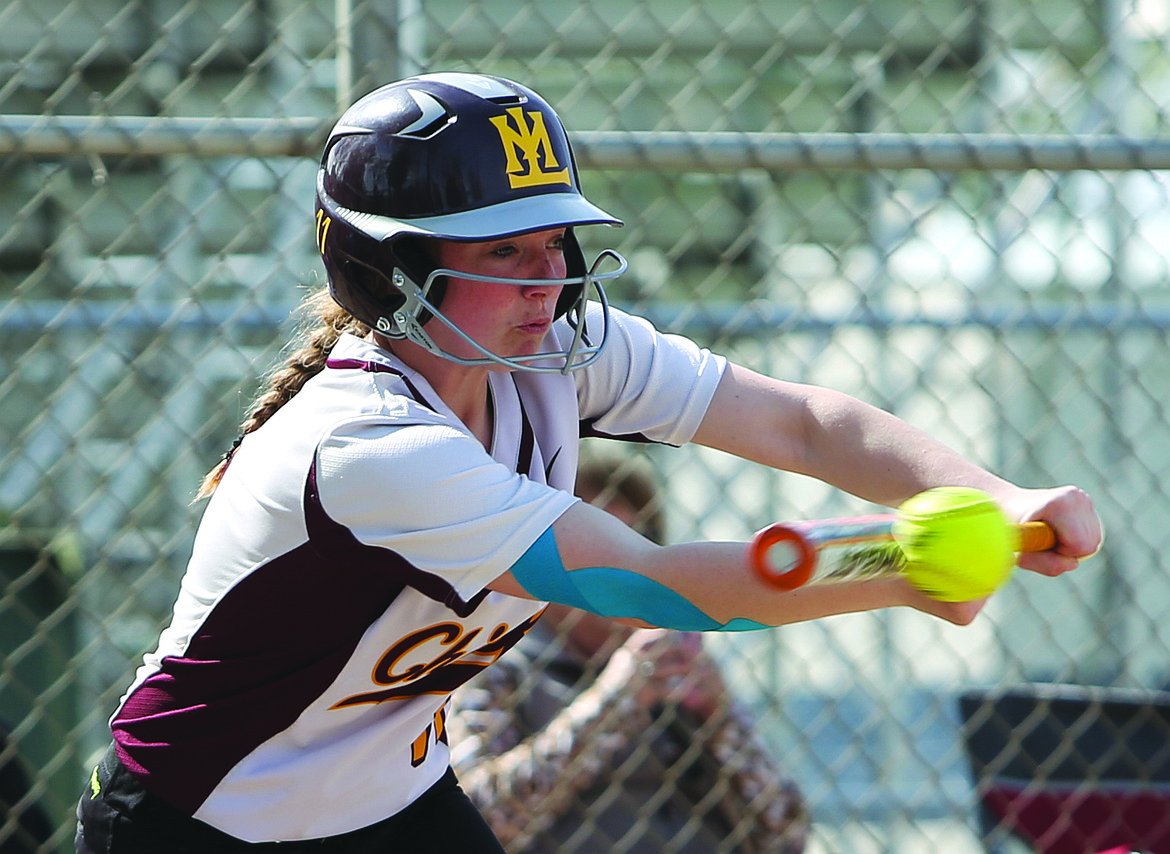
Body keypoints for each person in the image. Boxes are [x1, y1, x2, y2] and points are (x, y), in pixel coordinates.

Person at [74, 71, 1103, 854]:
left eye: (556, 240)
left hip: (391, 797)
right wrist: (898, 563)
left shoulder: (553, 351)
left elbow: (801, 423)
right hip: (203, 818)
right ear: (385, 272)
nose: (552, 278)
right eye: (506, 252)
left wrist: (992, 498)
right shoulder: (370, 442)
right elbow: (650, 582)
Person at [448, 452, 810, 853]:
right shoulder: (498, 663)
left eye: (637, 546)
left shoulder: (677, 665)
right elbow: (482, 820)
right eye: (603, 549)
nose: (625, 571)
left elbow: (786, 833)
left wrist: (718, 717)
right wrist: (617, 699)